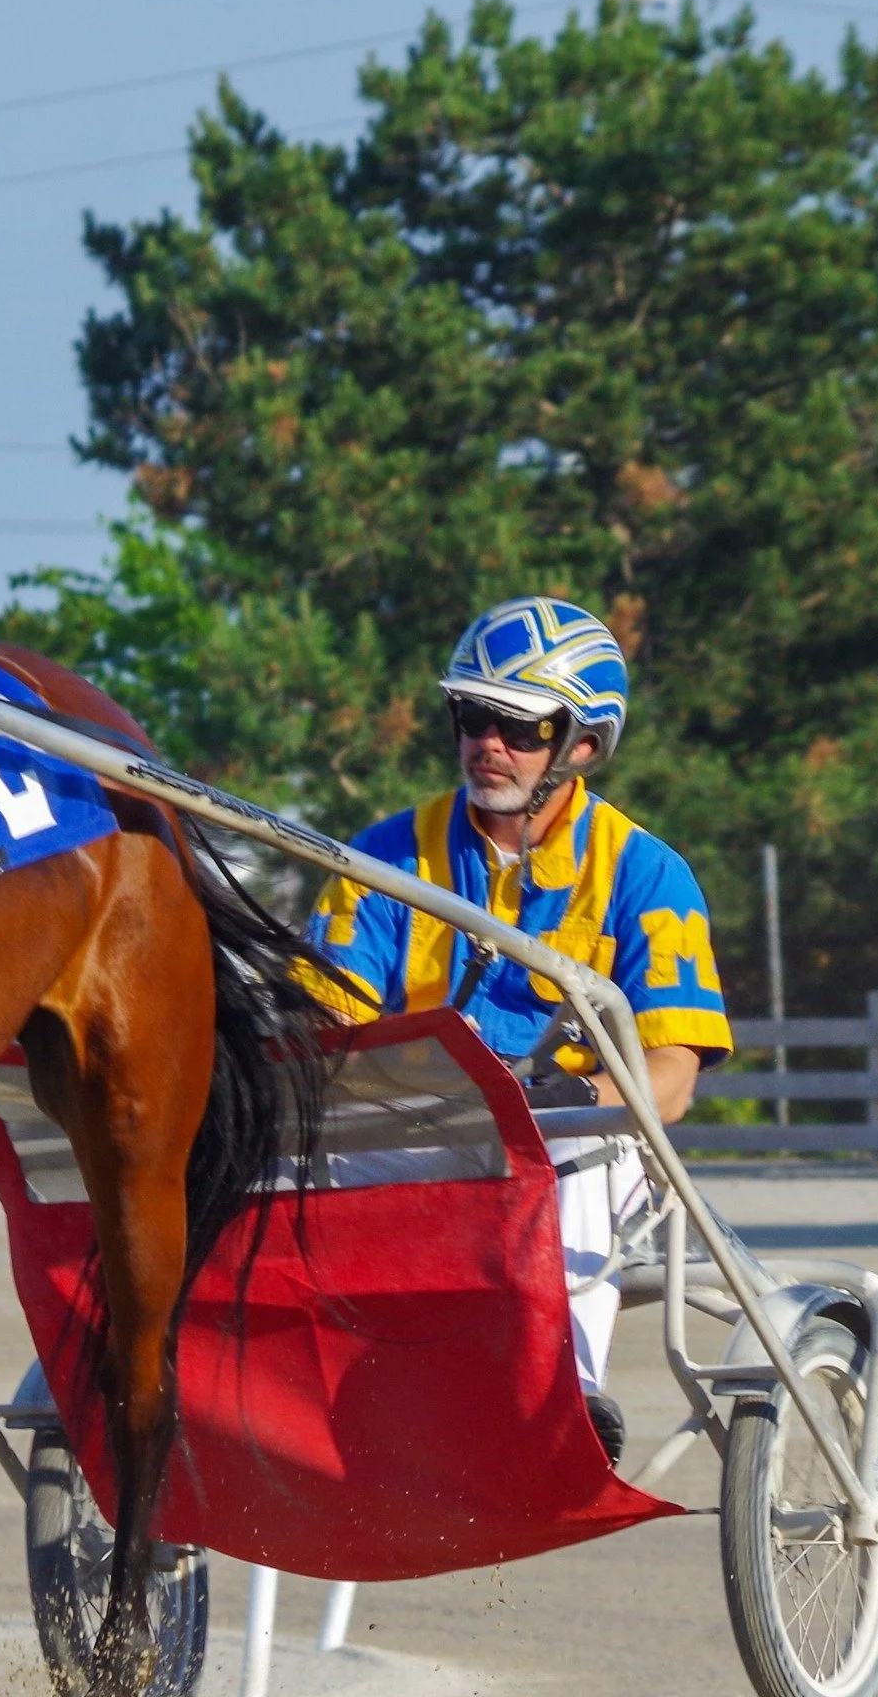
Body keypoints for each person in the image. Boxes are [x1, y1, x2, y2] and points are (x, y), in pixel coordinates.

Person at [299, 596, 732, 1463]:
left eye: (519, 726)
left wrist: (560, 1101)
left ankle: (564, 1398)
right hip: (415, 1129)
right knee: (278, 1148)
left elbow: (670, 1079)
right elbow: (321, 1029)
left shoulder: (647, 873)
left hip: (570, 1140)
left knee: (578, 1151)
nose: (487, 743)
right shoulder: (381, 858)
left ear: (583, 744)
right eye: (471, 716)